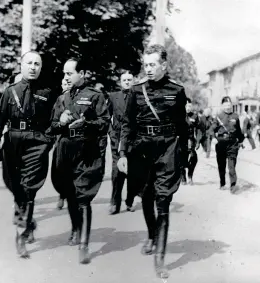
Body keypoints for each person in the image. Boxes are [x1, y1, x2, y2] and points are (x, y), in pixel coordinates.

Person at [117, 45, 188, 279]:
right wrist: (123, 153)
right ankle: (151, 235)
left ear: (163, 65)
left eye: (152, 64)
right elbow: (127, 124)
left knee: (163, 200)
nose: (148, 69)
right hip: (142, 148)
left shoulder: (177, 90)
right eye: (145, 64)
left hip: (167, 147)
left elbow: (183, 126)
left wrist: (185, 156)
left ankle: (160, 258)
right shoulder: (136, 91)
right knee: (146, 196)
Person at [0, 51, 55, 258]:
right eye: (29, 63)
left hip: (36, 142)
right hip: (13, 141)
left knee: (29, 185)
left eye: (37, 64)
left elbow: (53, 120)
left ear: (40, 68)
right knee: (17, 186)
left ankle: (21, 233)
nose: (33, 67)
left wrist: (47, 140)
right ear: (22, 65)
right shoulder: (10, 91)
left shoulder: (47, 92)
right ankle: (27, 221)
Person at [50, 57, 110, 264]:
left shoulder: (95, 96)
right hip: (65, 149)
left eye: (69, 73)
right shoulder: (62, 98)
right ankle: (76, 228)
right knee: (69, 193)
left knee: (83, 196)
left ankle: (84, 244)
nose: (65, 77)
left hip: (86, 149)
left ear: (82, 73)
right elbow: (52, 126)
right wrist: (61, 122)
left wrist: (86, 123)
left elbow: (104, 123)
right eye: (64, 74)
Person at [107, 70, 135, 214]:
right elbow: (106, 116)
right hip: (116, 138)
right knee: (116, 171)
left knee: (132, 171)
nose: (127, 82)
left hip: (133, 139)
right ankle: (114, 202)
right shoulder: (113, 96)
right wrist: (111, 132)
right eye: (124, 80)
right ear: (120, 82)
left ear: (133, 81)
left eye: (130, 80)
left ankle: (129, 201)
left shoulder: (138, 97)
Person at [210, 96, 244, 194]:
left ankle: (233, 186)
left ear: (231, 105)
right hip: (221, 143)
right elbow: (212, 129)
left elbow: (238, 131)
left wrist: (241, 140)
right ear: (222, 106)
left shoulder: (236, 116)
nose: (228, 107)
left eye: (229, 105)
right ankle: (222, 183)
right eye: (226, 105)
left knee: (232, 165)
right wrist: (213, 139)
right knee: (221, 165)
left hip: (233, 144)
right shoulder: (218, 116)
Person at [54, 79, 70, 210]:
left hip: (78, 138)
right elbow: (55, 118)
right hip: (62, 138)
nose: (67, 86)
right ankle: (62, 195)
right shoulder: (60, 99)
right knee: (60, 169)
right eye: (64, 84)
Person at [181, 98, 201, 185]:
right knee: (180, 159)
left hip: (190, 140)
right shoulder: (179, 115)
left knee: (194, 158)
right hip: (180, 140)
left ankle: (190, 176)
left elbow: (199, 129)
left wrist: (198, 141)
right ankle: (183, 177)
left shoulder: (195, 116)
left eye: (189, 106)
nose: (188, 108)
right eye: (186, 106)